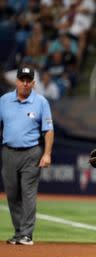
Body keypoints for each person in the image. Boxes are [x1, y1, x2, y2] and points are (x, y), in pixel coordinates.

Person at [0, 65, 54, 246]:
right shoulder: (4, 100)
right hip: (8, 152)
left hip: (31, 152)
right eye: (22, 80)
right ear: (16, 81)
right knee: (12, 193)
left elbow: (48, 130)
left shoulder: (41, 102)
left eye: (28, 80)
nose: (25, 83)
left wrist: (46, 154)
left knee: (28, 193)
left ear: (33, 83)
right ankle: (18, 232)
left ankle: (26, 234)